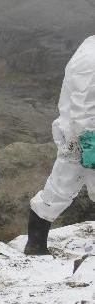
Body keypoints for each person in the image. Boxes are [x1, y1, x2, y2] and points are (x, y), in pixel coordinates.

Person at [26, 36, 95, 254]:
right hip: (82, 138)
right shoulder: (90, 58)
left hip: (81, 136)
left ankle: (35, 245)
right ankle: (35, 245)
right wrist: (89, 144)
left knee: (59, 189)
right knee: (59, 189)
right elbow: (83, 105)